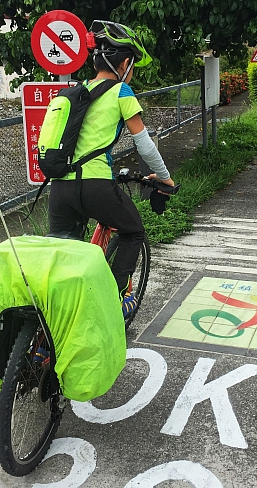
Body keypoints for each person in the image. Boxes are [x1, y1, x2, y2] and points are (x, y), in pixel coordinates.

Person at [47, 20, 175, 317]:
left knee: (64, 258)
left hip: (60, 188)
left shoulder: (76, 92)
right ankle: (111, 301)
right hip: (96, 186)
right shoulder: (121, 91)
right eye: (133, 66)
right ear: (126, 62)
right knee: (133, 232)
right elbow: (144, 144)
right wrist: (165, 179)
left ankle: (45, 332)